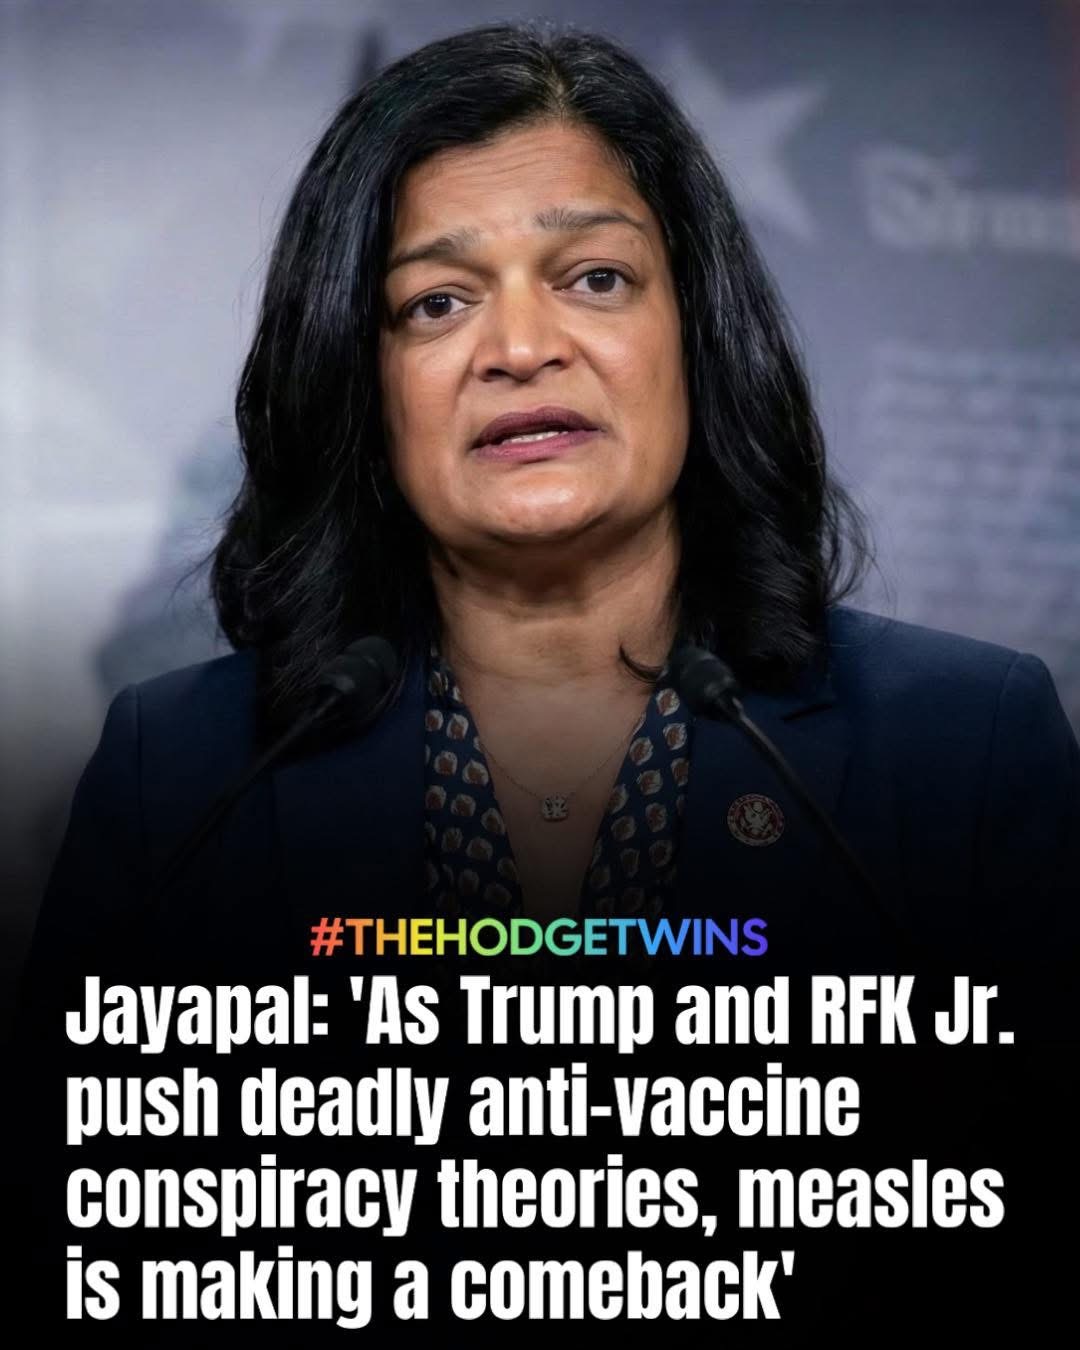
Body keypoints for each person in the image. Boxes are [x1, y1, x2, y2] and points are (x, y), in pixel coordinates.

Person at [16, 20, 1079, 1341]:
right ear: (363, 383)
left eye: (594, 277)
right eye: (437, 303)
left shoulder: (967, 751)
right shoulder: (183, 780)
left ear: (698, 335)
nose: (520, 345)